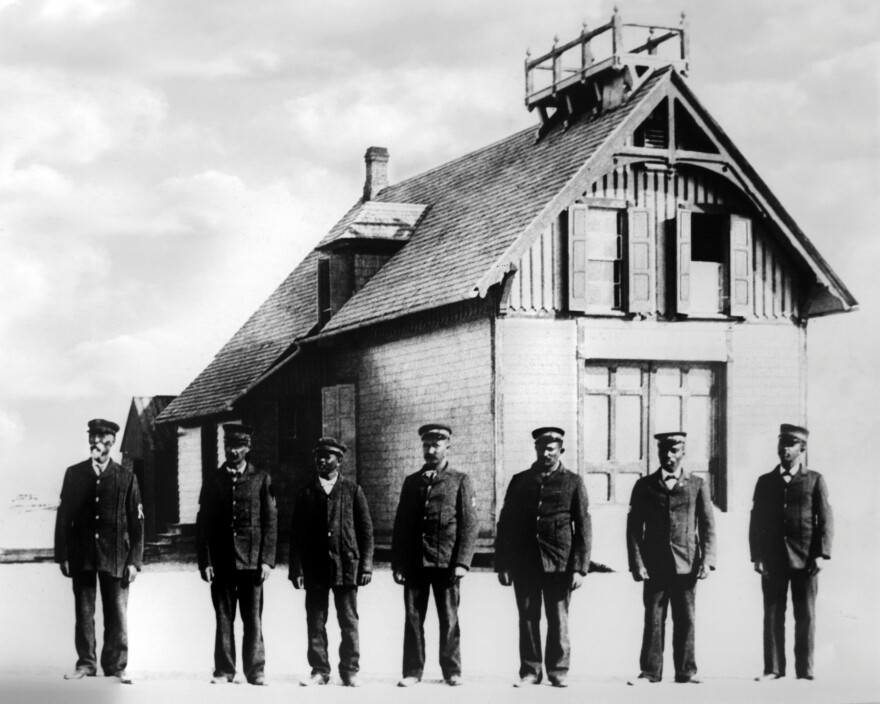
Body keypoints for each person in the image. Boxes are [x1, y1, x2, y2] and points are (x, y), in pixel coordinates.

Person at [495, 427, 591, 688]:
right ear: (536, 449)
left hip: (559, 563)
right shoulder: (520, 480)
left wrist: (579, 568)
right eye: (542, 448)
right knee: (528, 618)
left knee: (558, 618)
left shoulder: (573, 481)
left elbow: (583, 526)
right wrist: (503, 564)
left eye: (551, 448)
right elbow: (506, 523)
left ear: (561, 450)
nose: (546, 453)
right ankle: (530, 671)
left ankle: (558, 671)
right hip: (525, 562)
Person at [54, 418, 144, 685]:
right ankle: (86, 664)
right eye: (92, 437)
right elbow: (64, 516)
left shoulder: (126, 477)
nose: (95, 442)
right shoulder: (74, 474)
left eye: (101, 438)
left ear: (111, 442)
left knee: (117, 613)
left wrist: (134, 561)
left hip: (116, 556)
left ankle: (117, 666)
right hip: (82, 554)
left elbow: (137, 522)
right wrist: (63, 554)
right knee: (84, 613)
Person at [390, 423, 479, 687]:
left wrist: (462, 562)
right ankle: (412, 671)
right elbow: (401, 526)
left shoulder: (460, 480)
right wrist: (398, 564)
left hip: (446, 563)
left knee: (449, 619)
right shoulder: (412, 482)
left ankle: (452, 671)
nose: (430, 450)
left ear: (447, 447)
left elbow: (469, 524)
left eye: (436, 445)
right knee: (413, 619)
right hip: (415, 563)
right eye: (426, 445)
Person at [626, 431, 716, 685]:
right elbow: (634, 528)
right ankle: (649, 672)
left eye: (674, 450)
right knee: (653, 619)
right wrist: (637, 563)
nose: (669, 455)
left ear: (683, 452)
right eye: (664, 450)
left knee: (686, 619)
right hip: (654, 565)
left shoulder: (697, 484)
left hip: (686, 564)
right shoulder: (644, 486)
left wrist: (708, 560)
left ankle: (687, 671)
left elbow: (707, 525)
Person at [749, 423, 833, 682]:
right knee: (773, 613)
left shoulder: (815, 480)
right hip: (773, 559)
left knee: (805, 614)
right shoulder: (765, 482)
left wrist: (821, 554)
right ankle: (773, 668)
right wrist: (757, 556)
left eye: (791, 444)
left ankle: (805, 670)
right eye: (781, 443)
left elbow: (825, 519)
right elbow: (756, 521)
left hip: (806, 559)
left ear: (802, 448)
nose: (784, 449)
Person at [196, 423, 277, 686]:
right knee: (223, 618)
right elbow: (203, 524)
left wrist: (267, 560)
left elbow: (270, 521)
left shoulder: (261, 479)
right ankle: (224, 670)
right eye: (229, 445)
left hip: (252, 562)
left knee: (253, 619)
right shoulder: (213, 481)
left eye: (239, 446)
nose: (233, 451)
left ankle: (256, 671)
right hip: (222, 562)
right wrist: (206, 561)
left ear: (248, 448)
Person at [289, 437, 374, 687]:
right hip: (314, 568)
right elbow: (296, 535)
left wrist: (365, 566)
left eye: (327, 456)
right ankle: (319, 670)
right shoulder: (305, 493)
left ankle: (350, 671)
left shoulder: (353, 491)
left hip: (346, 567)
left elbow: (366, 532)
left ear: (340, 460)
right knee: (315, 621)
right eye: (319, 456)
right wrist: (297, 569)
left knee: (348, 621)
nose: (322, 460)